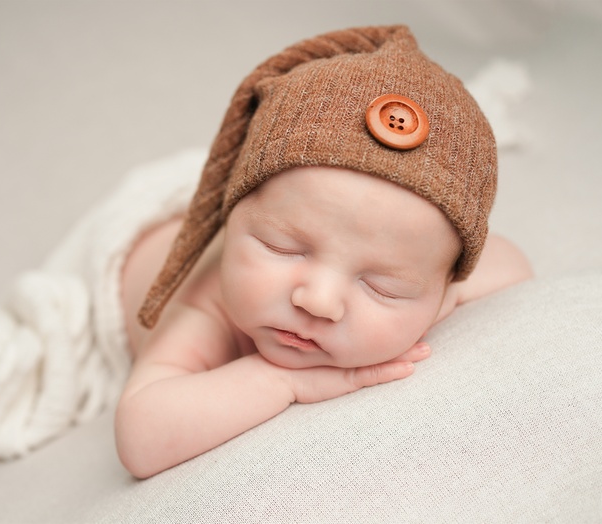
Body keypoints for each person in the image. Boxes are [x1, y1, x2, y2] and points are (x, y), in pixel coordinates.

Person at [113, 25, 533, 479]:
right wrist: (282, 380)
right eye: (283, 249)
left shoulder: (424, 283)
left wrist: (429, 303)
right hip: (134, 246)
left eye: (381, 286)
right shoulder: (205, 305)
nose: (318, 302)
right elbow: (141, 437)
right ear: (231, 224)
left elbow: (512, 263)